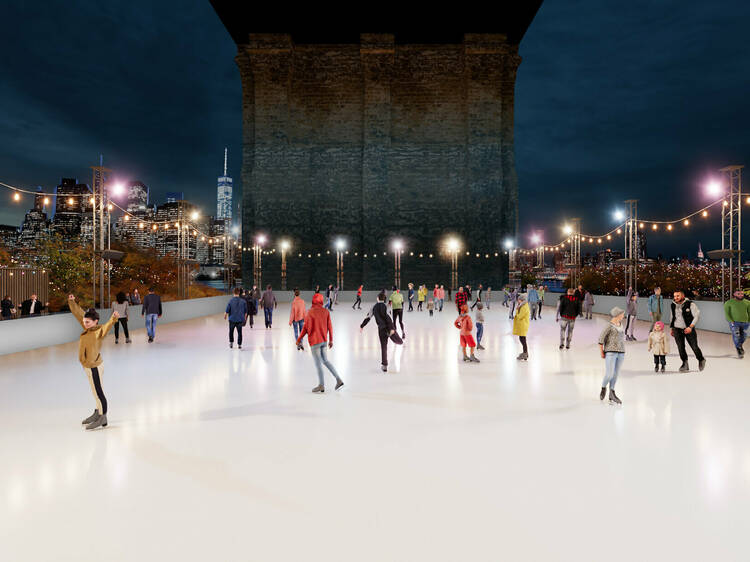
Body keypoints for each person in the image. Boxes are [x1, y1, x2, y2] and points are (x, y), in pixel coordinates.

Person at [68, 295, 118, 430]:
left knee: (98, 392)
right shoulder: (87, 328)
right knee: (95, 391)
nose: (85, 324)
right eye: (84, 322)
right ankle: (98, 412)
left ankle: (103, 417)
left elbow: (107, 326)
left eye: (88, 322)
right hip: (89, 366)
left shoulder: (98, 332)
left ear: (96, 322)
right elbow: (79, 314)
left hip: (94, 366)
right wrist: (72, 301)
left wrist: (113, 318)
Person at [296, 293, 344, 393]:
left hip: (315, 342)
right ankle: (338, 379)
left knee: (318, 364)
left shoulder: (310, 312)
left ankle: (321, 385)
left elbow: (305, 328)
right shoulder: (326, 312)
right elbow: (330, 327)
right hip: (323, 341)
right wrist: (331, 340)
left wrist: (298, 340)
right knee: (325, 360)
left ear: (313, 300)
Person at [360, 291, 403, 372]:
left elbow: (368, 317)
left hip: (381, 329)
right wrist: (392, 329)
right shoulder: (387, 306)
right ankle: (400, 342)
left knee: (384, 347)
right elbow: (389, 317)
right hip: (389, 328)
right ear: (384, 299)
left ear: (377, 298)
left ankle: (384, 365)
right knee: (398, 340)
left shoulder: (374, 307)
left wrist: (362, 326)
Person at [670, 289, 706, 372]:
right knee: (680, 347)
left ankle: (701, 359)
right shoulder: (673, 305)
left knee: (694, 346)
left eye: (678, 296)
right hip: (677, 329)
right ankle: (684, 363)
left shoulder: (691, 304)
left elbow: (696, 316)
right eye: (674, 296)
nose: (676, 297)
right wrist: (672, 328)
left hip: (688, 329)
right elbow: (672, 317)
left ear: (683, 296)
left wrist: (690, 327)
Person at [598, 307, 625, 405]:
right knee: (609, 374)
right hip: (610, 352)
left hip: (621, 352)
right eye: (622, 314)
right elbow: (601, 339)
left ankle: (612, 393)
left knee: (616, 373)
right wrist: (602, 352)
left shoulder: (621, 325)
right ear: (617, 315)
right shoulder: (609, 326)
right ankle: (603, 387)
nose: (623, 316)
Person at [723, 289, 750, 358]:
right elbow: (727, 313)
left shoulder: (747, 302)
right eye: (738, 294)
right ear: (734, 294)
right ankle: (739, 349)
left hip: (745, 322)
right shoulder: (728, 302)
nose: (741, 295)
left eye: (742, 294)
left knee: (744, 336)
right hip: (734, 322)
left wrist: (748, 321)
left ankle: (739, 346)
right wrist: (731, 321)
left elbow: (749, 312)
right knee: (736, 335)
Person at [513, 293, 530, 360]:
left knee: (523, 339)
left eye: (519, 300)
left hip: (523, 325)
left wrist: (517, 310)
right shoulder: (522, 305)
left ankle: (525, 353)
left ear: (522, 300)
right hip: (522, 324)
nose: (518, 301)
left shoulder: (524, 306)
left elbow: (520, 316)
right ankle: (525, 353)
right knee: (522, 339)